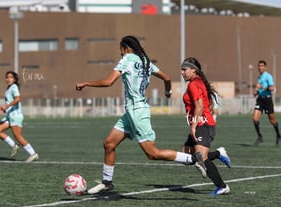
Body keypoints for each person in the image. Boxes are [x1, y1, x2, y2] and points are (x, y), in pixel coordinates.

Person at [75, 35, 206, 194]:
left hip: (137, 111)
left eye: (121, 51)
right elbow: (167, 77)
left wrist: (85, 83)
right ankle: (107, 182)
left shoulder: (128, 58)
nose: (121, 55)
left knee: (152, 154)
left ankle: (193, 159)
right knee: (109, 144)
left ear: (125, 48)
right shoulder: (145, 62)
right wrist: (167, 91)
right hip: (132, 112)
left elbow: (108, 82)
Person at [180, 57, 230, 196]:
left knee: (201, 157)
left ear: (194, 70)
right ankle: (219, 153)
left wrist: (194, 125)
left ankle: (222, 186)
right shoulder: (197, 82)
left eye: (184, 70)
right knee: (187, 157)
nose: (182, 73)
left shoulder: (193, 84)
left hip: (203, 124)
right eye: (181, 70)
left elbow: (200, 105)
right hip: (201, 123)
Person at [0, 71, 39, 162]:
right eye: (7, 77)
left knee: (18, 136)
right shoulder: (8, 88)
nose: (8, 79)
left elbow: (18, 98)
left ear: (14, 79)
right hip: (9, 115)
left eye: (10, 77)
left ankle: (33, 154)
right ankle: (14, 146)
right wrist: (6, 109)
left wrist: (6, 106)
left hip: (15, 116)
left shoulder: (14, 87)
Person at [253, 60, 281, 145]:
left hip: (268, 100)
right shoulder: (259, 77)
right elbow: (259, 89)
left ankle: (278, 135)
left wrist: (261, 87)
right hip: (260, 100)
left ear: (265, 67)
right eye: (258, 66)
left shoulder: (268, 76)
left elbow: (272, 88)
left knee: (272, 120)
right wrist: (256, 92)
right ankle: (260, 137)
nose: (260, 67)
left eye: (261, 66)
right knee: (255, 119)